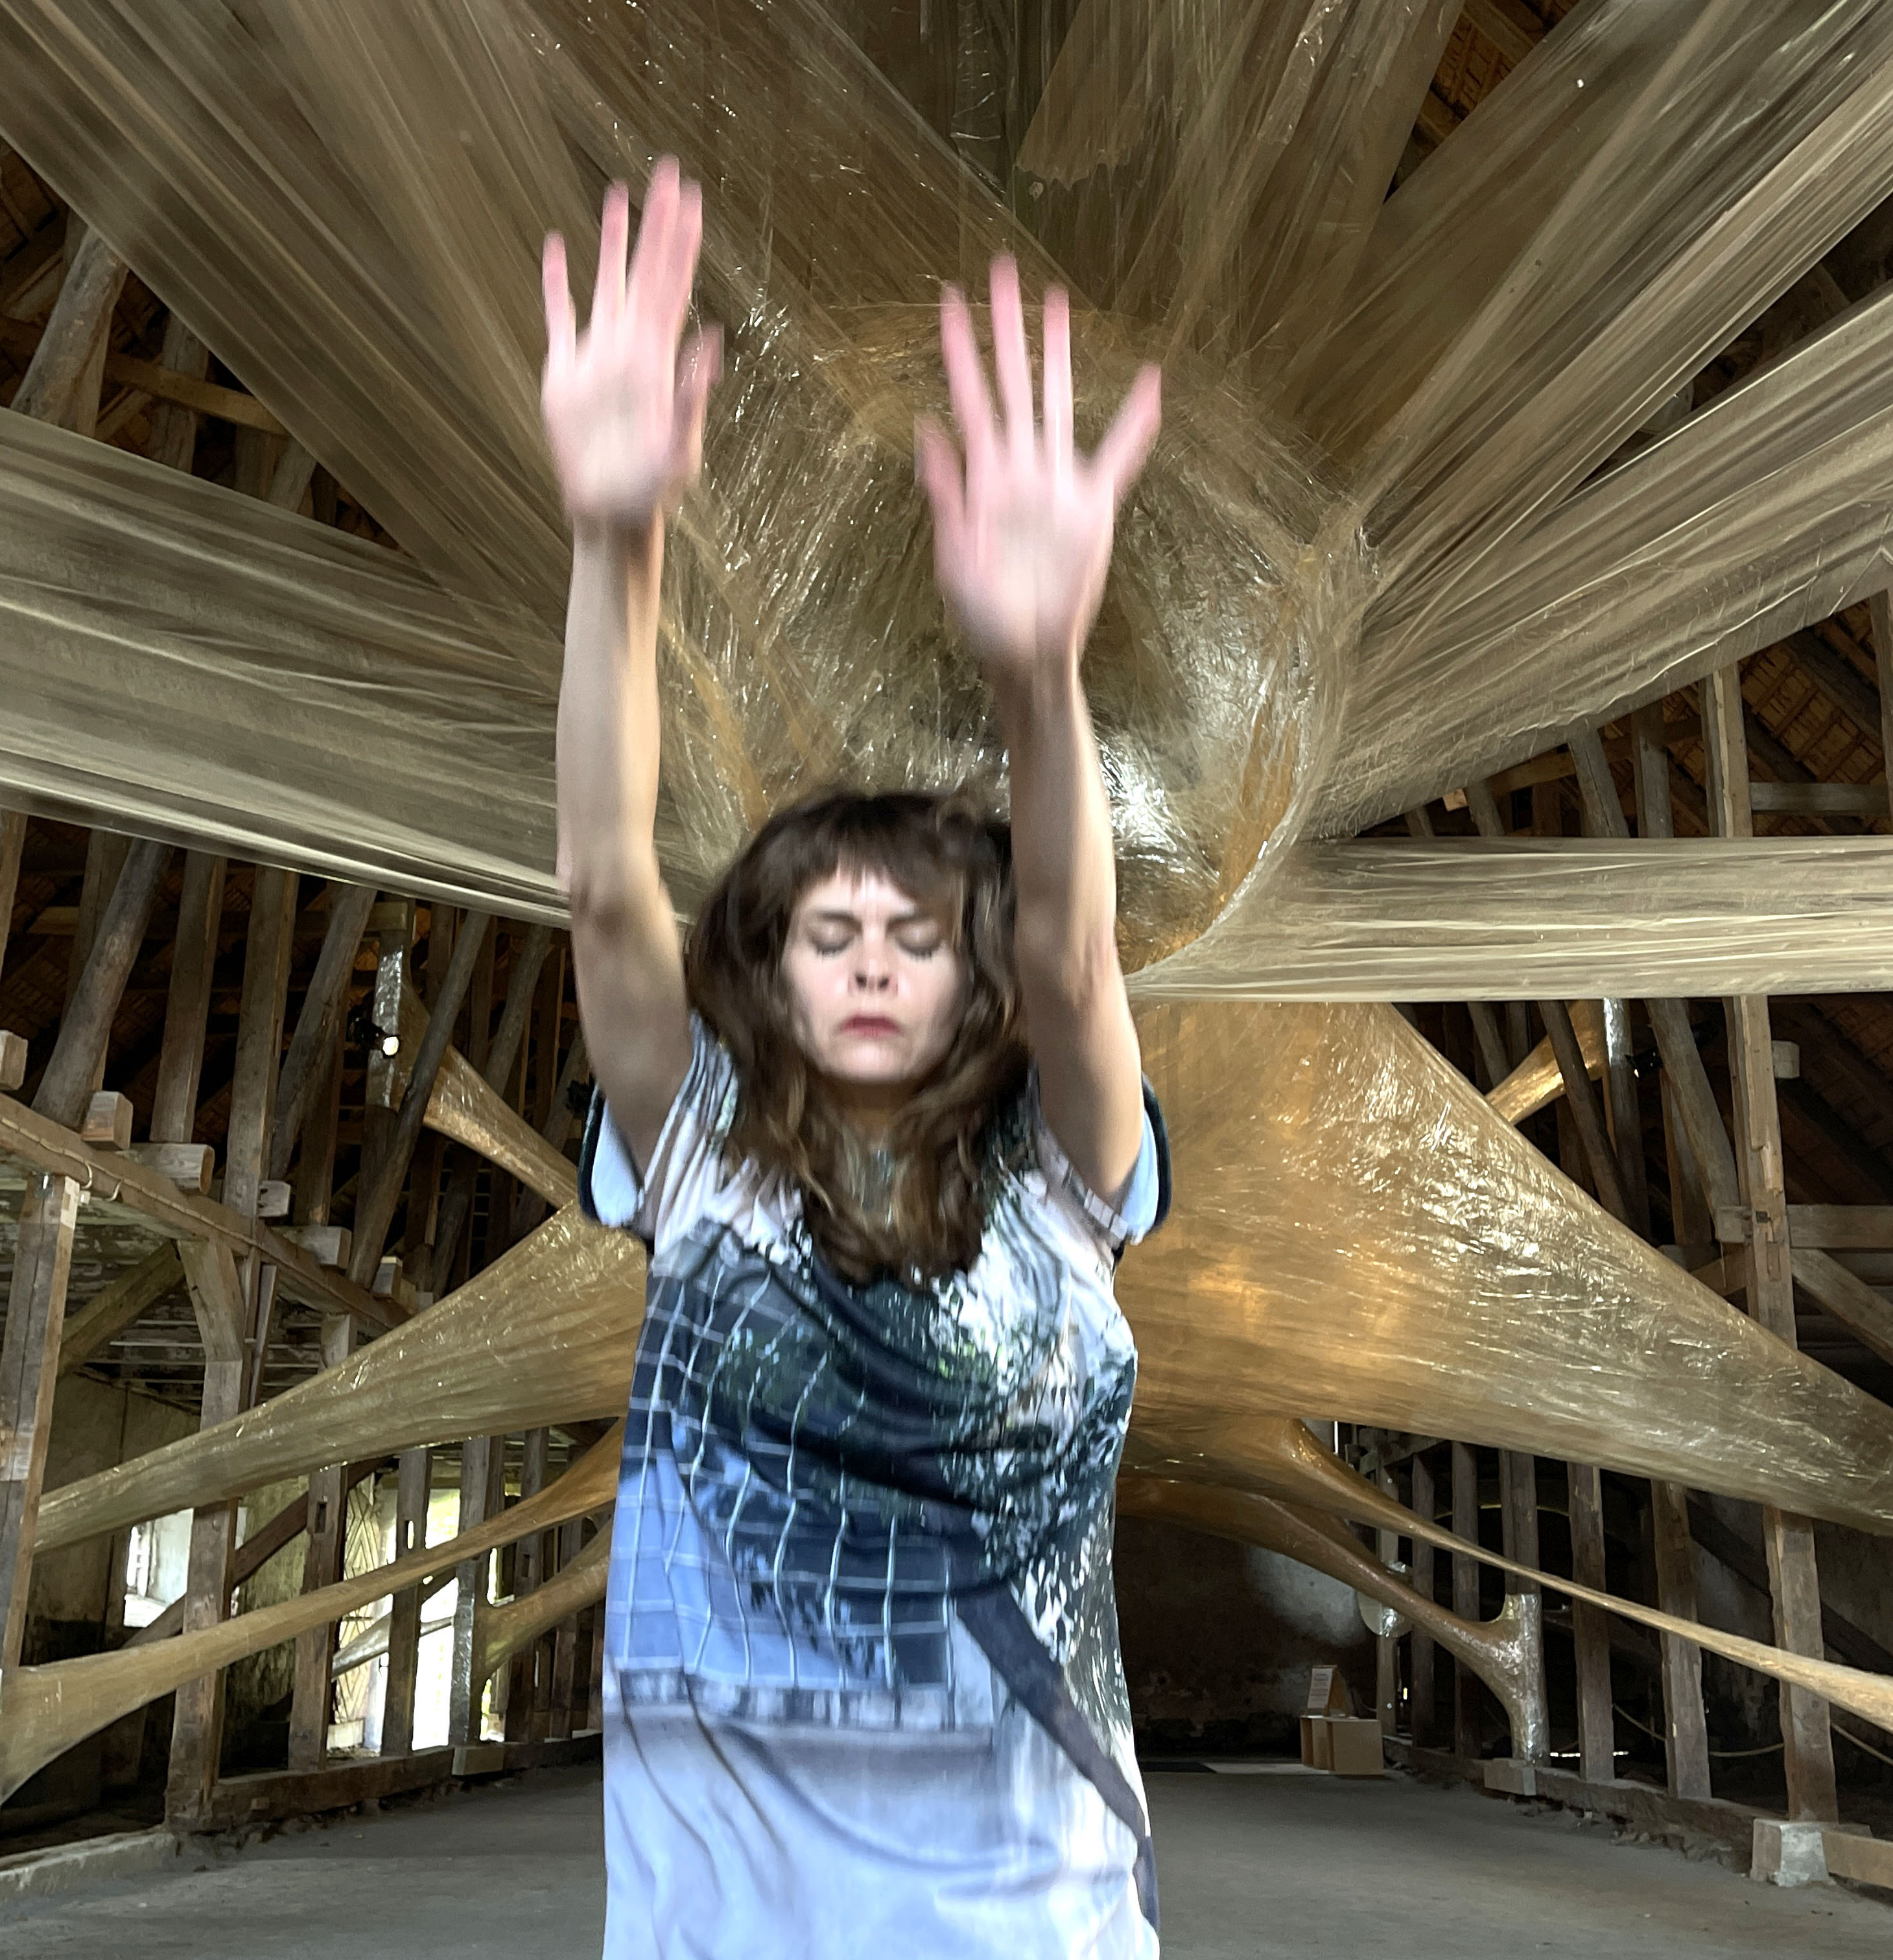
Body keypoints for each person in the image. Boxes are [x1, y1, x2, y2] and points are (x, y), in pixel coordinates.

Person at [543, 157, 1168, 1958]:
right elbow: (600, 886)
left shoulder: (1064, 1186)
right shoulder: (702, 1164)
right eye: (831, 932)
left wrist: (1045, 678)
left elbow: (1072, 945)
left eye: (918, 932)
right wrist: (615, 544)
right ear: (771, 974)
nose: (877, 960)